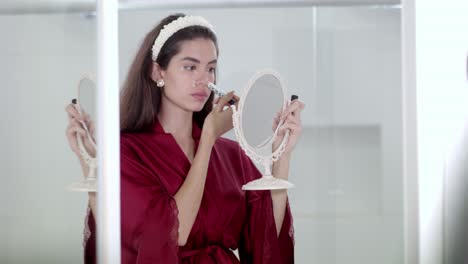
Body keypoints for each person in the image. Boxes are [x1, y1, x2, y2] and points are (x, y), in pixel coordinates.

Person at [65, 13, 304, 263]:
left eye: (210, 68)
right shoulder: (127, 152)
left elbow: (266, 237)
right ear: (157, 71)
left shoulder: (233, 155)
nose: (205, 80)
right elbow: (172, 234)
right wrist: (209, 137)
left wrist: (282, 153)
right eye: (190, 67)